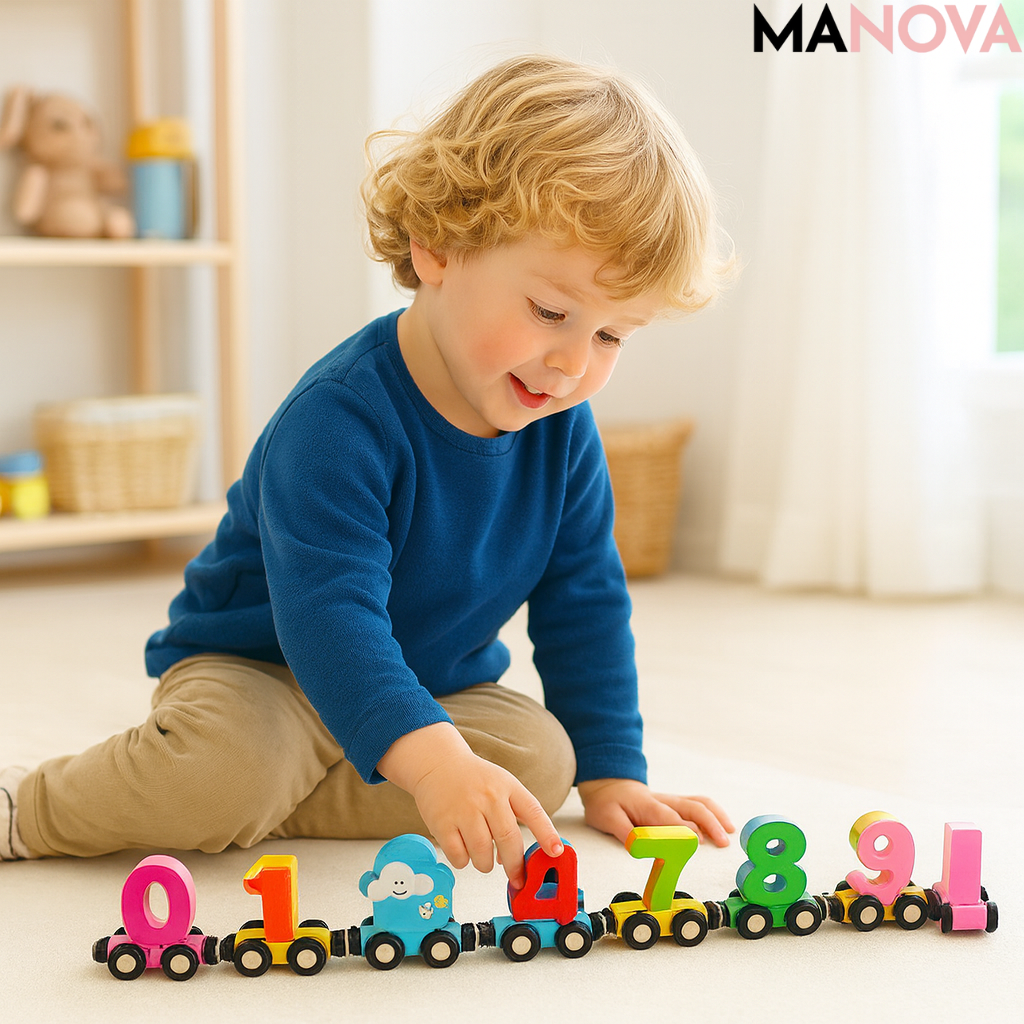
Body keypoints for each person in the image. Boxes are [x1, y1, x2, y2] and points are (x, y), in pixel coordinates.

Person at [1, 54, 735, 885]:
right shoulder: (337, 419)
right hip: (266, 676)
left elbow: (585, 600)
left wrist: (612, 771)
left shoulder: (563, 432)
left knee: (541, 758)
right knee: (226, 766)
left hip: (429, 686)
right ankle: (31, 806)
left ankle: (286, 787)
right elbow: (330, 615)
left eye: (610, 337)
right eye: (551, 312)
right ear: (440, 246)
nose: (572, 364)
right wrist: (435, 763)